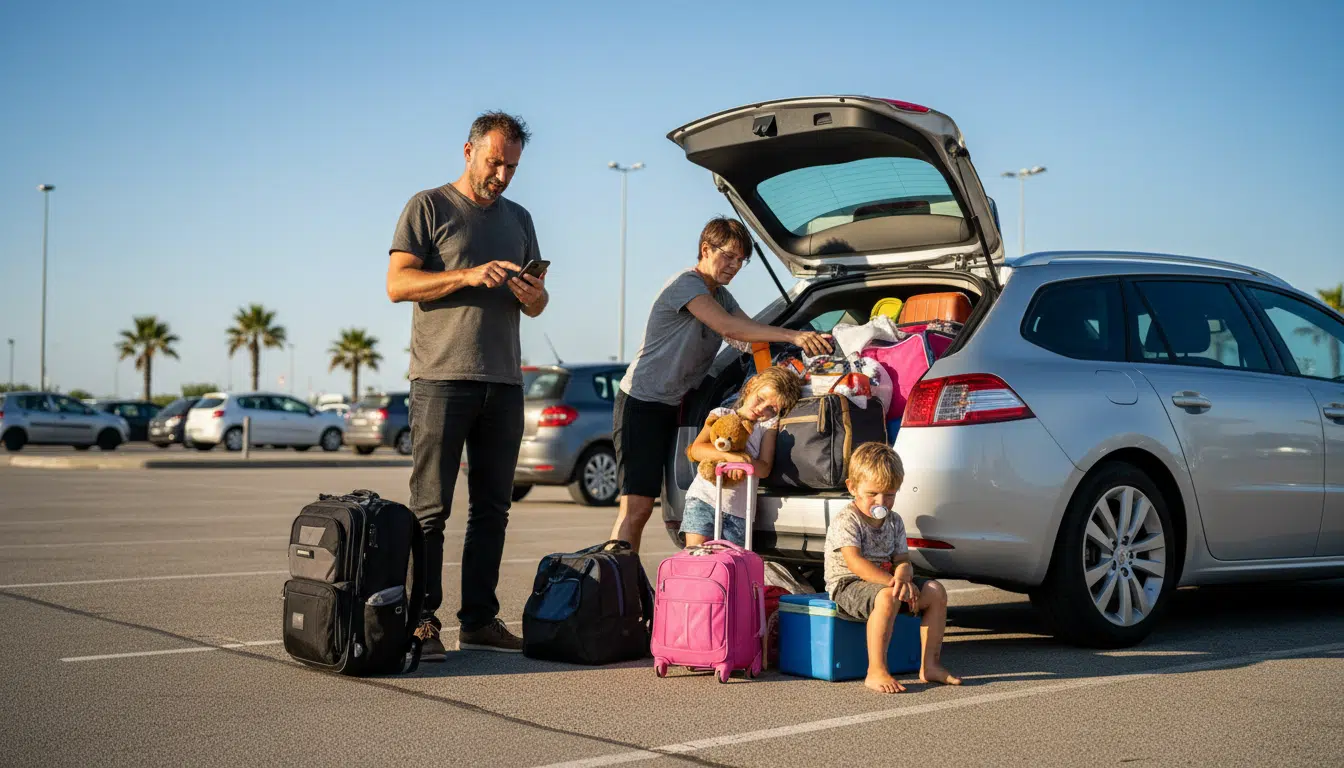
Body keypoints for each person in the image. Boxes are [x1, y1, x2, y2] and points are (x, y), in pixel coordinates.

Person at [385, 111, 547, 660]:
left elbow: (541, 302)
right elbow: (397, 283)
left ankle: (478, 619)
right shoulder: (427, 207)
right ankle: (421, 620)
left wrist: (531, 295)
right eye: (494, 161)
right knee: (430, 508)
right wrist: (468, 275)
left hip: (503, 381)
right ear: (467, 151)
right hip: (440, 379)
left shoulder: (520, 218)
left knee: (493, 508)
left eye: (512, 166)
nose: (502, 174)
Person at [610, 217, 832, 551]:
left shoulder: (721, 296)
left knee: (649, 504)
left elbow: (750, 338)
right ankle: (614, 589)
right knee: (637, 506)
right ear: (705, 249)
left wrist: (791, 366)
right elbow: (730, 328)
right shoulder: (686, 285)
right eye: (728, 256)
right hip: (642, 403)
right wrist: (793, 335)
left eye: (740, 261)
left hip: (673, 405)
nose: (734, 266)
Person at [824, 442, 961, 693]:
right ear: (852, 488)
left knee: (935, 591)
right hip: (848, 584)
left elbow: (902, 559)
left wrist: (903, 576)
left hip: (889, 581)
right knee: (888, 597)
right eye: (873, 494)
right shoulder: (848, 519)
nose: (881, 501)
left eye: (890, 494)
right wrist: (892, 583)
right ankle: (875, 670)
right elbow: (855, 562)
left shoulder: (894, 520)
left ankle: (930, 664)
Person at [681, 366, 803, 547]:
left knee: (732, 564)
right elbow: (697, 450)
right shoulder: (721, 414)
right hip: (703, 500)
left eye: (771, 408)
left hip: (739, 512)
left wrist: (745, 462)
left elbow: (764, 469)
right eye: (760, 399)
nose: (762, 409)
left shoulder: (767, 427)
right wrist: (734, 458)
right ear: (751, 385)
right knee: (696, 556)